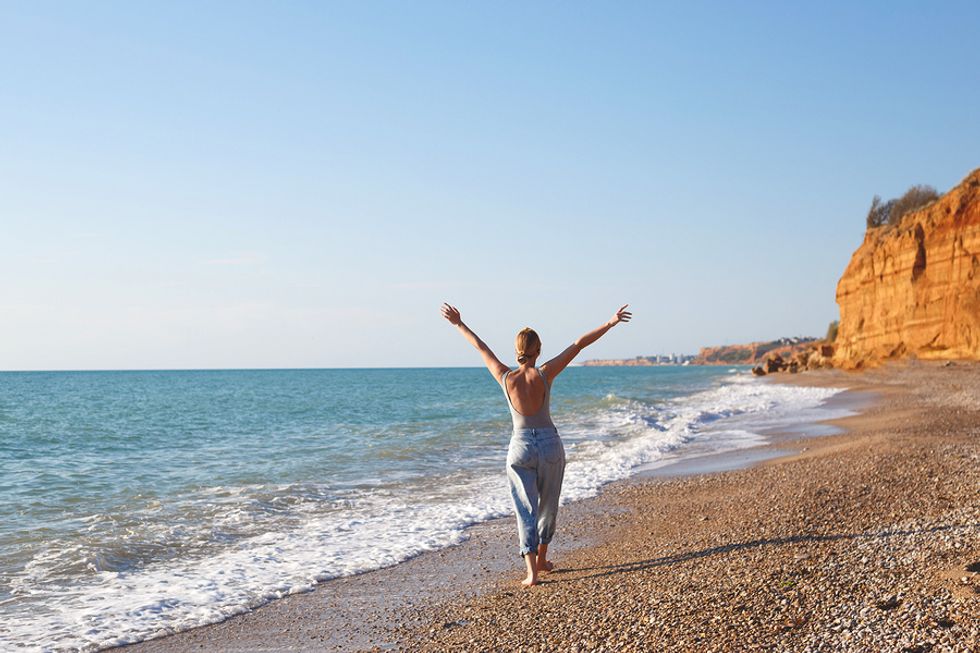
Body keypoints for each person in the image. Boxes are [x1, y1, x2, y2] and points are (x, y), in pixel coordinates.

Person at [440, 303, 632, 586]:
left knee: (525, 509)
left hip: (520, 447)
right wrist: (610, 323)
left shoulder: (505, 377)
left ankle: (532, 572)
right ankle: (542, 557)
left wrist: (459, 323)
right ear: (538, 350)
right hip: (550, 444)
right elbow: (578, 345)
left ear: (517, 349)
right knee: (548, 506)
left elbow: (481, 347)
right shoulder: (545, 373)